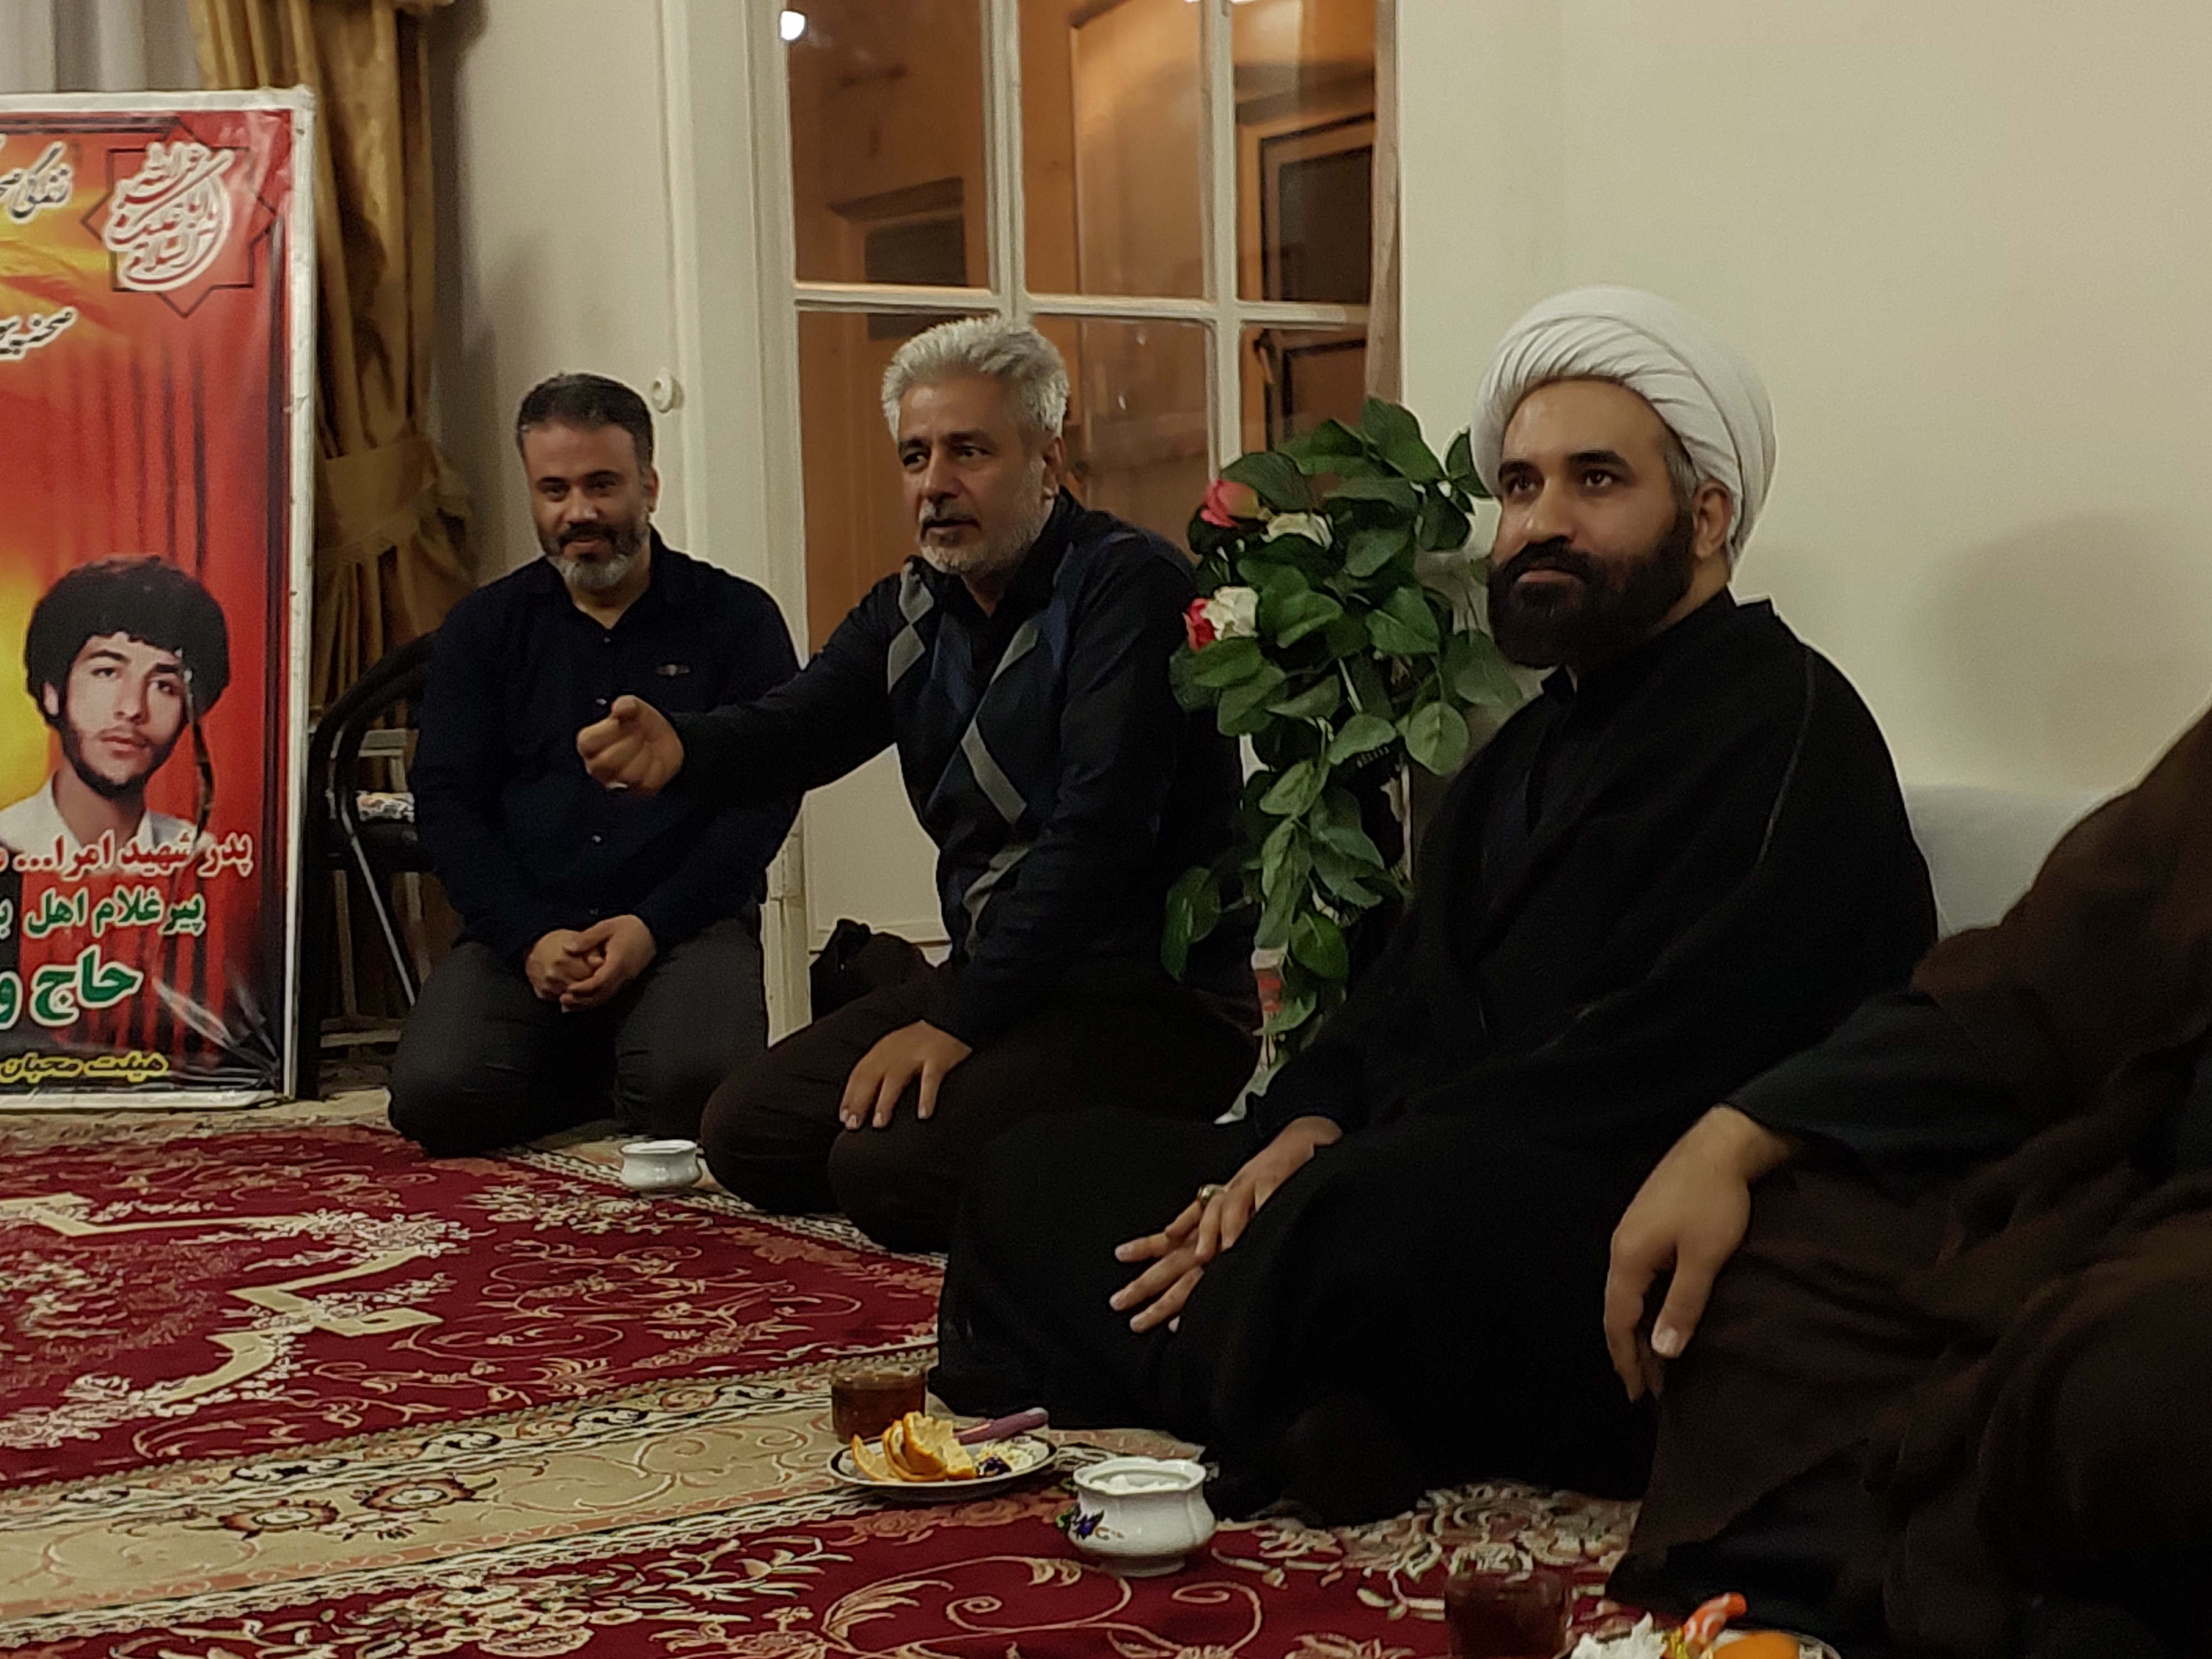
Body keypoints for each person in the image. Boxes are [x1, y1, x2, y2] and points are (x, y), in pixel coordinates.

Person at [928, 286, 1938, 1525]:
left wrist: (1341, 1164)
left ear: (1708, 514)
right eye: (1519, 486)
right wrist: (1303, 1124)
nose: (1542, 523)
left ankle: (1271, 1375)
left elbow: (1676, 1053)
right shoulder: (1527, 750)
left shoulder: (1789, 728)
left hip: (1621, 1205)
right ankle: (1313, 1394)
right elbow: (1400, 995)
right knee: (1034, 1171)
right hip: (1425, 1171)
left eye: (1595, 482)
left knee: (1372, 1215)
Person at [577, 319, 1256, 1251]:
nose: (935, 484)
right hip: (998, 976)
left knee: (885, 1175)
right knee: (747, 1134)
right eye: (915, 456)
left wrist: (957, 1023)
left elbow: (1097, 843)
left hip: (1144, 998)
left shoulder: (1128, 589)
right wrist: (683, 748)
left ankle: (1179, 1157)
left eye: (968, 452)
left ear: (1048, 463)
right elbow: (798, 727)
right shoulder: (913, 607)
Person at [1608, 708, 2212, 1658]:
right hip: (2115, 1209)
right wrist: (1735, 1137)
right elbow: (2023, 990)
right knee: (1758, 1282)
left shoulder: (1788, 718)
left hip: (2172, 1296)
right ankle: (2038, 1609)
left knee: (2144, 1364)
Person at [388, 373, 799, 1157]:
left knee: (694, 1094)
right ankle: (598, 1069)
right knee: (434, 1098)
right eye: (555, 490)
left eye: (602, 485)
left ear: (649, 486)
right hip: (525, 927)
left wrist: (651, 927)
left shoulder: (737, 618)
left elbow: (764, 799)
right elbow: (445, 801)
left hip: (684, 924)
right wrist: (528, 936)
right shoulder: (483, 628)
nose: (579, 512)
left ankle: (626, 1061)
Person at [0, 555, 229, 863]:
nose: (133, 709)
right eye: (107, 672)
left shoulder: (204, 862)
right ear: (52, 692)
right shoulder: (7, 843)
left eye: (164, 686)